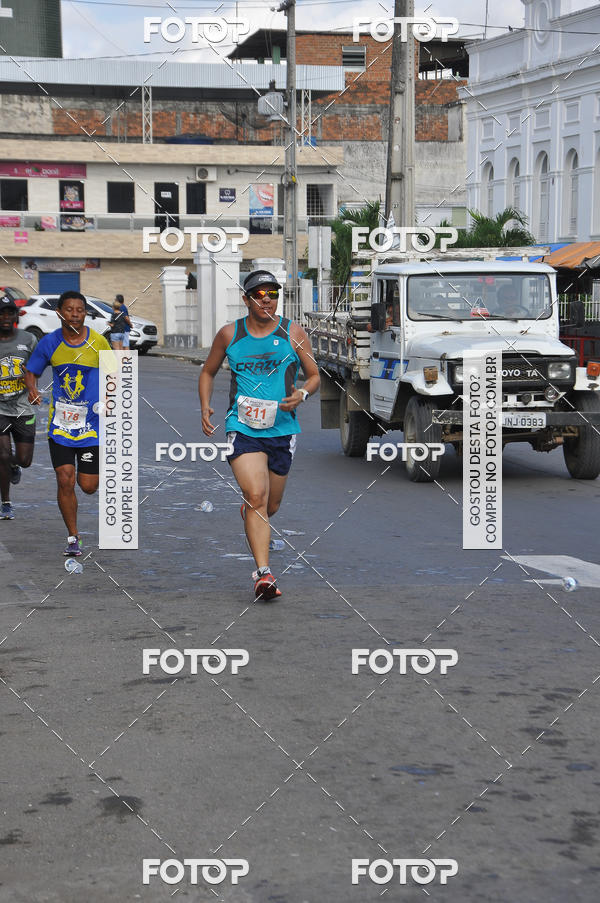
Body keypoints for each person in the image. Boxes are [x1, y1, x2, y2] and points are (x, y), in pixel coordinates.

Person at [199, 270, 320, 601]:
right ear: (247, 299)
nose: (267, 299)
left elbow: (313, 375)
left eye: (273, 294)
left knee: (271, 504)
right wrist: (205, 406)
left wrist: (303, 395)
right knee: (256, 497)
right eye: (260, 294)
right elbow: (208, 371)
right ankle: (263, 574)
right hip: (243, 426)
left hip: (282, 428)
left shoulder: (293, 333)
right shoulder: (230, 334)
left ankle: (254, 513)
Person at [25, 290, 112, 556]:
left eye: (80, 310)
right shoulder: (49, 343)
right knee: (65, 479)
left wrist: (111, 400)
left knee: (88, 486)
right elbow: (32, 370)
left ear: (85, 313)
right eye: (70, 309)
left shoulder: (98, 343)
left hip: (92, 426)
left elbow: (116, 375)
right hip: (61, 425)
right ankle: (73, 537)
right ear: (59, 312)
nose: (75, 314)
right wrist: (32, 389)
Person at [0, 296, 37, 520]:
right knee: (2, 454)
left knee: (24, 459)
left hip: (23, 407)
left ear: (16, 316)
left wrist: (33, 389)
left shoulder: (29, 339)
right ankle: (6, 502)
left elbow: (36, 366)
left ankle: (15, 466)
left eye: (10, 313)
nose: (5, 317)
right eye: (2, 313)